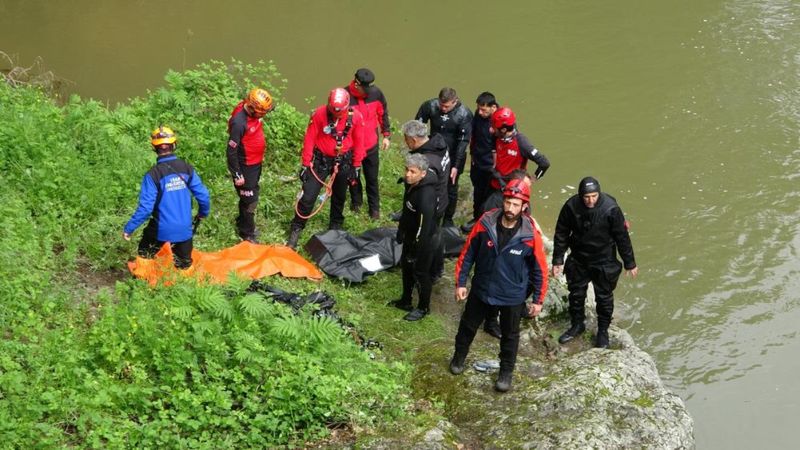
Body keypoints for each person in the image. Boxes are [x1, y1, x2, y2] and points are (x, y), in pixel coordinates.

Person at [450, 179, 549, 392]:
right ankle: (458, 358)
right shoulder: (485, 222)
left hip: (512, 294)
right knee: (467, 326)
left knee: (510, 335)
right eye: (508, 203)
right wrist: (460, 282)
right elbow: (468, 253)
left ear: (524, 207)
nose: (511, 209)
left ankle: (506, 373)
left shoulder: (530, 235)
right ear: (503, 202)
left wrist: (538, 300)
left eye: (516, 205)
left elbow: (540, 269)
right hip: (482, 288)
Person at [552, 177, 638, 349]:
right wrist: (558, 259)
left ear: (598, 194)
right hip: (579, 258)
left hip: (603, 259)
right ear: (580, 196)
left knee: (604, 298)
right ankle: (577, 325)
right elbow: (561, 233)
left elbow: (622, 236)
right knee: (576, 295)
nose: (590, 200)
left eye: (594, 196)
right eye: (586, 197)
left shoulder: (611, 209)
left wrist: (630, 263)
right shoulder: (571, 206)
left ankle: (603, 331)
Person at [287, 88, 366, 249]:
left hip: (343, 162)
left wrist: (356, 165)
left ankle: (335, 227)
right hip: (321, 161)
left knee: (339, 196)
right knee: (308, 195)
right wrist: (305, 163)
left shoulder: (356, 118)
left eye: (340, 111)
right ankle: (297, 226)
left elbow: (359, 141)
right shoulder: (319, 114)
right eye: (333, 110)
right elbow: (310, 138)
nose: (336, 114)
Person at [123, 126, 210, 269]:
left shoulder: (152, 175)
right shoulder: (187, 168)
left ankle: (144, 285)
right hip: (184, 229)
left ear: (154, 148)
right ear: (174, 145)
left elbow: (146, 208)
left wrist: (129, 228)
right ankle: (184, 287)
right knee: (184, 266)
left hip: (160, 229)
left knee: (145, 256)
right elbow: (203, 195)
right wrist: (203, 213)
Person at [390, 154, 440, 321]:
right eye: (407, 170)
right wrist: (401, 230)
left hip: (425, 240)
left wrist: (417, 248)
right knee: (406, 268)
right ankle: (406, 300)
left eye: (412, 171)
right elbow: (407, 210)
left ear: (423, 174)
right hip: (411, 234)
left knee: (420, 273)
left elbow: (423, 226)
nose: (408, 174)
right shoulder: (411, 184)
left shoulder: (426, 195)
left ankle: (423, 308)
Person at [415, 87, 473, 227]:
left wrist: (456, 165)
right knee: (422, 179)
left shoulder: (464, 114)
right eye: (441, 105)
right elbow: (417, 126)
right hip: (433, 151)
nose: (443, 108)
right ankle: (417, 208)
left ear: (455, 101)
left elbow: (463, 141)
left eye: (446, 106)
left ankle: (448, 218)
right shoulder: (430, 105)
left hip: (453, 154)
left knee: (451, 186)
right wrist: (419, 149)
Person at [401, 119, 450, 282]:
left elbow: (422, 185)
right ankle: (438, 268)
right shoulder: (440, 144)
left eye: (406, 139)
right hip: (442, 197)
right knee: (437, 233)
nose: (405, 143)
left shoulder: (426, 160)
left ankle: (428, 271)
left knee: (427, 238)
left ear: (413, 140)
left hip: (430, 204)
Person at [226, 88, 275, 242]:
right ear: (253, 109)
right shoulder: (239, 123)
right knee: (250, 200)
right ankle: (247, 233)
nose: (264, 115)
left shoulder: (247, 108)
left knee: (250, 193)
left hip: (255, 163)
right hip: (245, 165)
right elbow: (231, 150)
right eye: (262, 112)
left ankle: (242, 222)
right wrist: (237, 174)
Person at [345, 68, 391, 219]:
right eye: (366, 88)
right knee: (353, 177)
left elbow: (383, 113)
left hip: (371, 145)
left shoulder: (376, 93)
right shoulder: (345, 97)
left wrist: (386, 135)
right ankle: (356, 203)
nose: (368, 91)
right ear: (357, 83)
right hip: (352, 147)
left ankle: (374, 209)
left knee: (372, 178)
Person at [488, 107, 550, 202]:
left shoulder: (522, 143)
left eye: (494, 128)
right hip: (496, 182)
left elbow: (544, 163)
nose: (491, 130)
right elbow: (494, 145)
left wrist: (531, 180)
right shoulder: (497, 135)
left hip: (513, 190)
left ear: (504, 130)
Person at [462, 92, 499, 234]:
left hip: (491, 166)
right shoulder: (479, 115)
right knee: (477, 192)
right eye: (479, 109)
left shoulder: (501, 122)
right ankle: (476, 218)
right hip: (477, 161)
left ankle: (485, 222)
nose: (480, 112)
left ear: (493, 107)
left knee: (488, 196)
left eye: (484, 110)